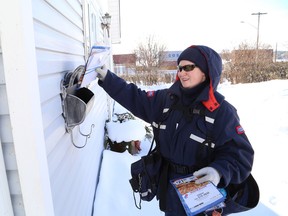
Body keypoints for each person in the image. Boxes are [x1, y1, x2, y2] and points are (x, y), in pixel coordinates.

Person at [96, 45, 255, 215]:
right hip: (170, 189)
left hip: (202, 194)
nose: (181, 72)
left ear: (206, 71)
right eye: (179, 67)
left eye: (188, 67)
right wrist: (108, 79)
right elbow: (135, 97)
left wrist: (218, 171)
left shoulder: (221, 111)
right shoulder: (166, 100)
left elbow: (241, 155)